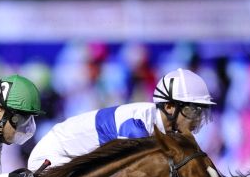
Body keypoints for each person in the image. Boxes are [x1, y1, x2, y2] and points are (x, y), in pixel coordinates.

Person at [27, 68, 216, 169]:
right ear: (169, 107)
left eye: (200, 113)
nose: (197, 120)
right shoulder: (136, 127)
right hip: (53, 158)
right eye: (193, 111)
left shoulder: (159, 127)